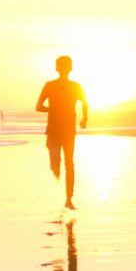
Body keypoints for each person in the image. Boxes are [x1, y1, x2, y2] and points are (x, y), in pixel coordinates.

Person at [36, 55, 88, 209]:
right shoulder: (75, 86)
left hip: (57, 129)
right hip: (66, 130)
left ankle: (67, 197)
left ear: (56, 68)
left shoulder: (50, 85)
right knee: (68, 164)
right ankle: (69, 199)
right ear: (70, 68)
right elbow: (85, 103)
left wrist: (52, 109)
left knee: (64, 163)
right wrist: (84, 118)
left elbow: (39, 107)